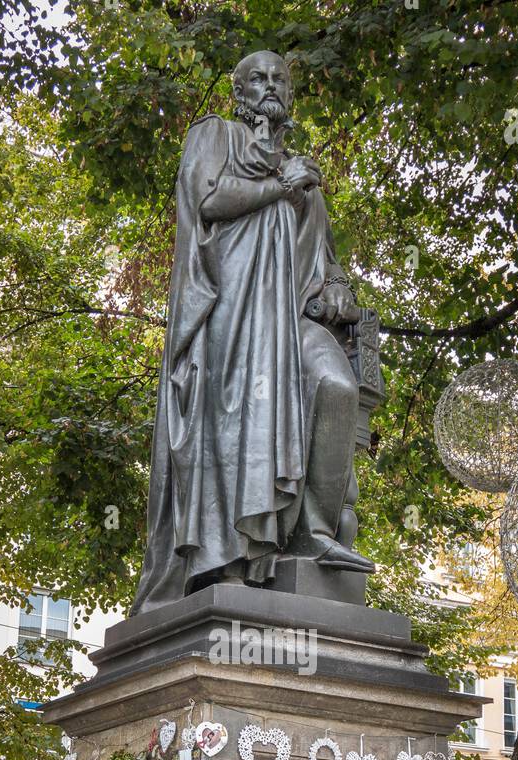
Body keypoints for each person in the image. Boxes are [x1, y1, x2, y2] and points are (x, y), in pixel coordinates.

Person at [131, 50, 372, 615]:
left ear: (290, 93)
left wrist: (338, 289)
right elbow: (209, 201)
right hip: (233, 320)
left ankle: (316, 533)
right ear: (238, 90)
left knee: (336, 387)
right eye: (256, 78)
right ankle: (230, 561)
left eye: (279, 78)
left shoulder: (305, 175)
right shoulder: (215, 135)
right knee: (240, 420)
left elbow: (325, 261)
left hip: (295, 320)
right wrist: (279, 186)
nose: (269, 87)